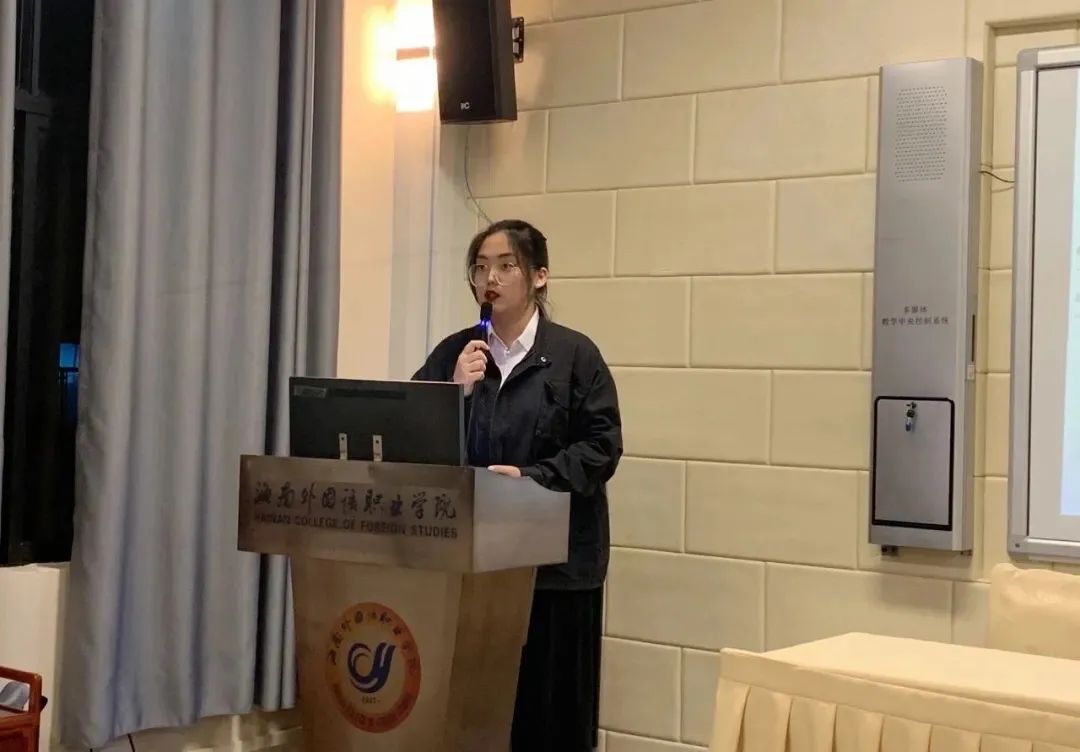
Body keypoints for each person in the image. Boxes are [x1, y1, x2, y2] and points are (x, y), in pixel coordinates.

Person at [413, 218, 622, 751]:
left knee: (549, 718)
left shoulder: (575, 355)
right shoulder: (455, 352)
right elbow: (410, 438)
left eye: (506, 266)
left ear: (539, 276)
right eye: (481, 267)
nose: (491, 278)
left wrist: (532, 479)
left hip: (554, 571)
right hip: (473, 565)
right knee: (477, 716)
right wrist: (452, 392)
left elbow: (602, 448)